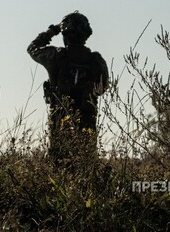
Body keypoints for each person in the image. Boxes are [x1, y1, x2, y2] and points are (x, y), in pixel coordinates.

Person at [27, 11, 109, 162]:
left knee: (57, 161)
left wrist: (53, 31)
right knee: (86, 163)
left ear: (66, 34)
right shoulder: (96, 60)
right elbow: (103, 87)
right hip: (87, 120)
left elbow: (32, 48)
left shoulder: (55, 56)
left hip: (59, 118)